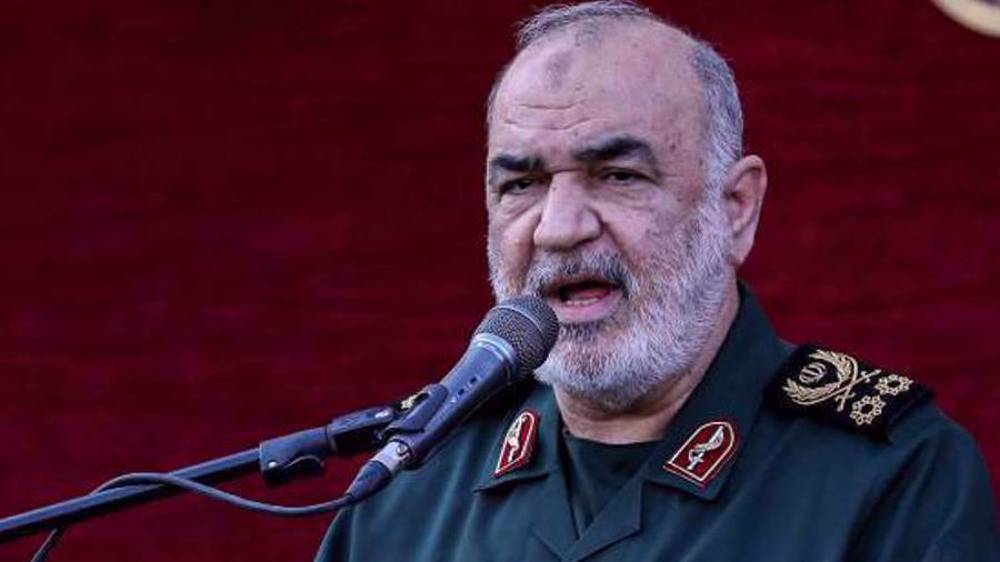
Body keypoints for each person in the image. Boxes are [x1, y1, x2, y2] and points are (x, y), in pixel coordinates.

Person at [315, 2, 1000, 560]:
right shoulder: (411, 487)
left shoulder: (893, 478)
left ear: (736, 209)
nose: (558, 228)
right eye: (520, 183)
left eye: (617, 176)